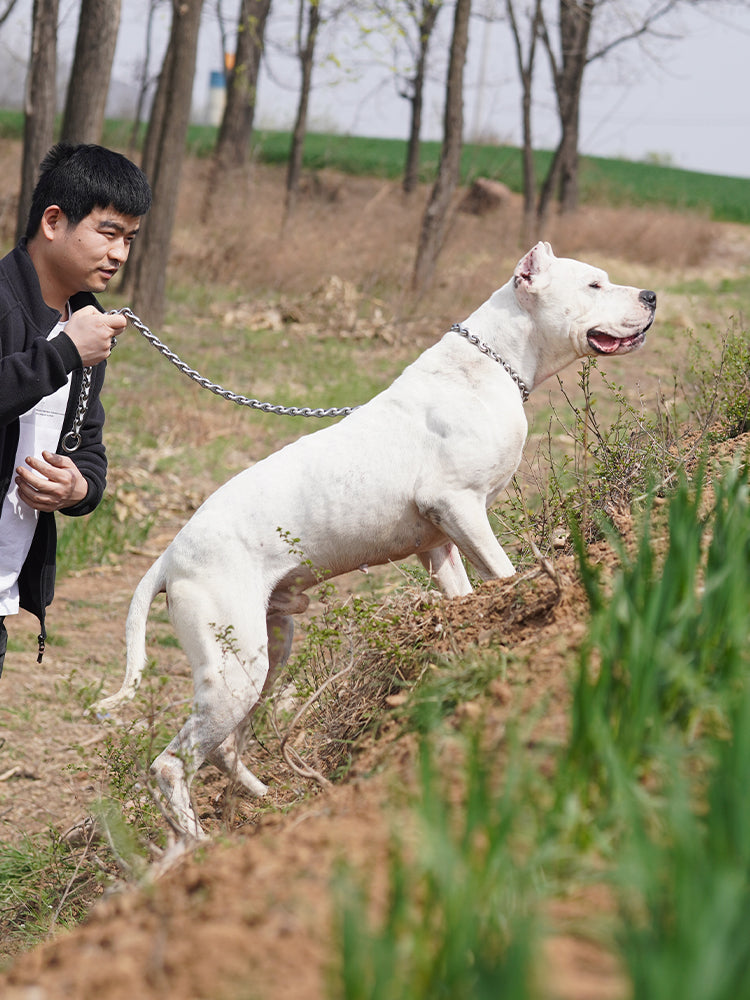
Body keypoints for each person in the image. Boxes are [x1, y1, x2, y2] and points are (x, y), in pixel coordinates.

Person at [0, 143, 152, 675]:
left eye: (129, 239)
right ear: (53, 220)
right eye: (108, 233)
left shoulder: (89, 327)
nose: (119, 254)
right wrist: (63, 352)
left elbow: (88, 447)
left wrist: (78, 489)